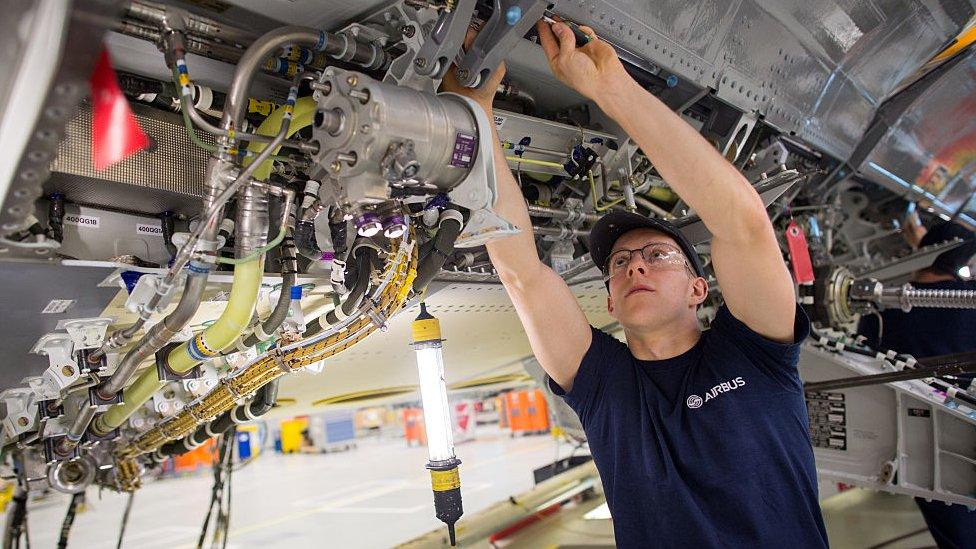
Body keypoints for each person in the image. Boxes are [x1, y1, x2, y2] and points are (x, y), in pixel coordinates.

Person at [442, 19, 827, 548]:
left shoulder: (755, 355)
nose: (633, 267)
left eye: (656, 255)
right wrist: (477, 119)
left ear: (699, 289)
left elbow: (743, 222)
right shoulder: (608, 389)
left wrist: (612, 90)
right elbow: (522, 274)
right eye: (619, 264)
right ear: (609, 302)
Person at [858, 219, 976, 548]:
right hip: (964, 433)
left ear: (920, 255)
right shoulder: (970, 303)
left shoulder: (884, 311)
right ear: (962, 263)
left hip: (916, 444)